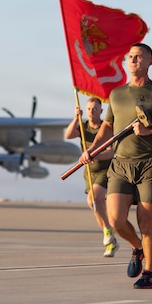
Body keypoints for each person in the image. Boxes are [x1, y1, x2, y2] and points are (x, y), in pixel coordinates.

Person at [78, 44, 152, 289]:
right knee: (115, 220)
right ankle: (137, 247)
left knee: (146, 222)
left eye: (139, 57)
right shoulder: (116, 94)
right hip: (120, 164)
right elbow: (108, 125)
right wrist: (92, 149)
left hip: (149, 165)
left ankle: (150, 273)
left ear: (150, 62)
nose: (133, 60)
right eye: (130, 57)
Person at [65, 97, 117, 257]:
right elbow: (68, 135)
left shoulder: (106, 127)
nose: (91, 112)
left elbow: (112, 152)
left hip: (105, 171)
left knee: (92, 200)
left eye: (94, 109)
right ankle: (109, 237)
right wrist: (76, 118)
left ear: (101, 111)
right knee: (95, 205)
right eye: (89, 109)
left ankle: (108, 230)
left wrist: (95, 156)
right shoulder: (83, 126)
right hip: (89, 172)